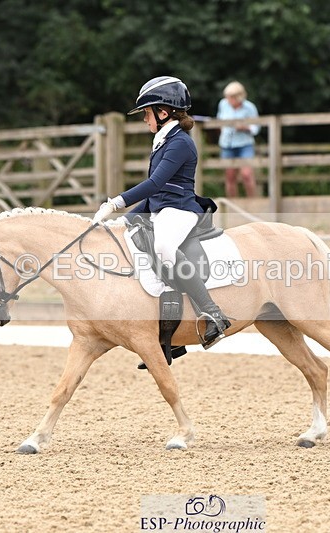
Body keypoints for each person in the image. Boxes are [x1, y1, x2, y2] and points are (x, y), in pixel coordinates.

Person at [92, 75, 231, 347]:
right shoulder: (162, 140)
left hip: (179, 210)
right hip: (160, 209)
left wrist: (115, 202)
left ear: (163, 112)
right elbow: (155, 192)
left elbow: (155, 183)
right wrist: (123, 220)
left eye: (146, 113)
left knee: (165, 247)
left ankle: (213, 313)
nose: (145, 119)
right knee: (132, 240)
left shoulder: (180, 142)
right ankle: (170, 331)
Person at [217, 81, 261, 198]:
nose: (228, 99)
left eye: (231, 97)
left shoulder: (250, 107)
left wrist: (245, 128)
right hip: (227, 144)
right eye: (227, 97)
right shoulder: (223, 104)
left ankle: (253, 204)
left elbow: (256, 128)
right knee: (230, 176)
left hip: (244, 144)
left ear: (239, 96)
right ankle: (233, 207)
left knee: (247, 174)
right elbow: (219, 120)